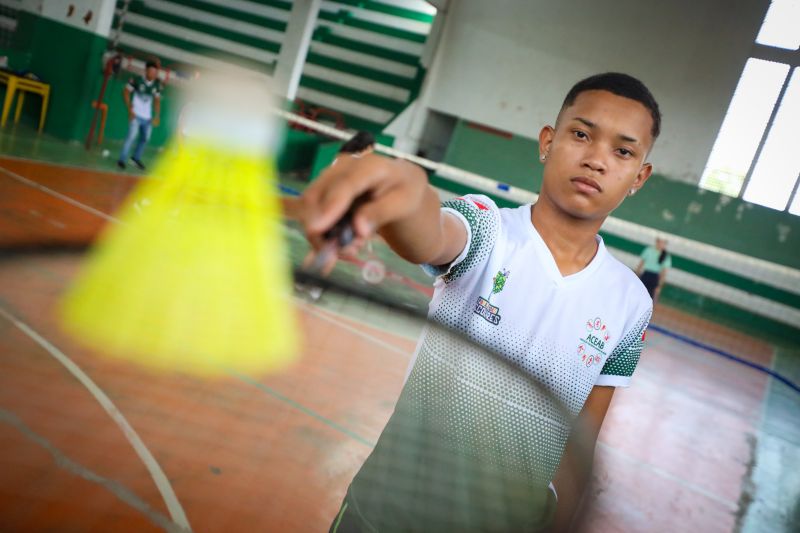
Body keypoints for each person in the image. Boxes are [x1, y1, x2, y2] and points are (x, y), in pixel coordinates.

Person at [288, 72, 660, 531]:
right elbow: (433, 233)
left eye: (622, 151)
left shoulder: (631, 303)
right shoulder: (488, 230)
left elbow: (579, 446)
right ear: (548, 141)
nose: (596, 160)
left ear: (639, 176)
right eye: (581, 135)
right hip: (382, 516)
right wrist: (406, 186)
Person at [117, 60, 162, 171]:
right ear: (146, 71)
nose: (153, 74)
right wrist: (130, 109)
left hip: (148, 118)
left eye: (155, 73)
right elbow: (125, 92)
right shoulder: (136, 80)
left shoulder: (157, 85)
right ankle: (121, 160)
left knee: (145, 139)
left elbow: (157, 100)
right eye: (151, 72)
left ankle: (135, 159)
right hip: (136, 115)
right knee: (131, 137)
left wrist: (157, 115)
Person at [636, 236, 671, 302]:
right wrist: (637, 274)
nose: (661, 244)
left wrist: (660, 285)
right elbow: (641, 263)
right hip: (646, 274)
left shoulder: (666, 255)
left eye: (663, 243)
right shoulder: (649, 250)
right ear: (657, 242)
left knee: (650, 297)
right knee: (639, 292)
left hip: (655, 277)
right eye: (660, 242)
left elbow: (664, 272)